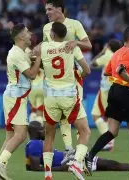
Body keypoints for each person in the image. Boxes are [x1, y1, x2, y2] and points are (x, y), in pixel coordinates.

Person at [85, 26, 129, 176]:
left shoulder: (116, 53)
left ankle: (90, 156)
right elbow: (120, 71)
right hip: (126, 93)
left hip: (114, 92)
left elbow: (107, 72)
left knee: (112, 132)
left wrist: (122, 79)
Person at [37, 22, 91, 180]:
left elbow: (35, 59)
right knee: (84, 131)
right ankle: (76, 162)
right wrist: (78, 75)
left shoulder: (44, 47)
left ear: (52, 34)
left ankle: (47, 174)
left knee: (49, 136)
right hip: (68, 95)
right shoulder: (72, 47)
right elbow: (87, 70)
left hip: (50, 98)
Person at [0, 24, 41, 180]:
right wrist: (39, 57)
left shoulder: (22, 51)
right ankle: (0, 164)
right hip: (16, 97)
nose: (30, 34)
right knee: (21, 135)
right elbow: (32, 74)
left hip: (15, 96)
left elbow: (33, 58)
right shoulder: (16, 54)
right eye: (27, 32)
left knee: (10, 136)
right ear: (20, 37)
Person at [42, 0, 92, 157]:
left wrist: (75, 41)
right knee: (61, 115)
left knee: (77, 116)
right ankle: (70, 150)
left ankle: (78, 155)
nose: (47, 12)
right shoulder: (46, 28)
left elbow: (88, 45)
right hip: (53, 79)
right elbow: (45, 49)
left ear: (59, 9)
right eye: (46, 10)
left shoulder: (74, 24)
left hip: (72, 76)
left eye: (50, 9)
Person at [24, 121, 129, 172]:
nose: (45, 130)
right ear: (36, 132)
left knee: (112, 165)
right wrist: (63, 168)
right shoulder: (35, 145)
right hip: (74, 162)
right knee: (113, 165)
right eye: (42, 129)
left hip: (72, 160)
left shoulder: (32, 145)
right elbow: (36, 168)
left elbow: (29, 167)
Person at [90, 39, 123, 151]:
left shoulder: (107, 55)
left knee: (96, 115)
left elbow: (92, 63)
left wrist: (102, 52)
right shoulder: (119, 57)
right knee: (109, 118)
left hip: (105, 91)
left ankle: (108, 141)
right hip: (115, 89)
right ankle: (109, 141)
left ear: (108, 47)